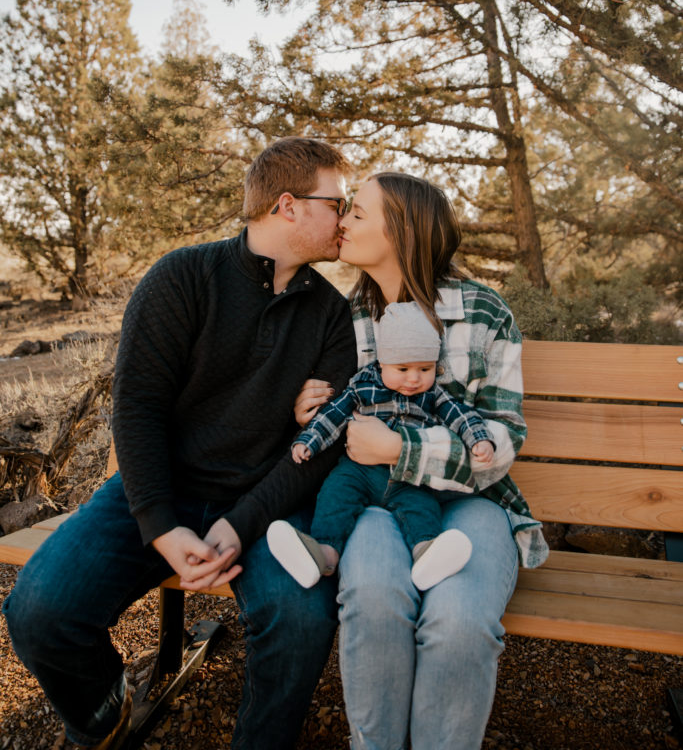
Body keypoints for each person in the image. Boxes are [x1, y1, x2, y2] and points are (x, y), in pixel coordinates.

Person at [2, 137, 358, 750]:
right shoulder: (184, 277)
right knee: (37, 613)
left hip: (266, 504)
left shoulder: (332, 315)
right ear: (289, 206)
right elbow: (136, 409)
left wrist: (241, 524)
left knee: (300, 620)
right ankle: (102, 715)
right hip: (159, 489)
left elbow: (318, 447)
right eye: (338, 202)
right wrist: (163, 527)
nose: (346, 217)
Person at [293, 172, 549, 750]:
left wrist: (401, 449)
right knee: (374, 603)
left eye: (357, 212)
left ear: (402, 230)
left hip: (475, 504)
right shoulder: (343, 315)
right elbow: (342, 420)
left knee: (458, 623)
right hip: (378, 501)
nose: (342, 221)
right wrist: (305, 410)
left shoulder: (484, 312)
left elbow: (502, 439)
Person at [267, 300, 495, 591]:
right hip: (360, 470)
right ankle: (324, 553)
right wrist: (308, 441)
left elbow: (460, 414)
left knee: (421, 507)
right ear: (383, 362)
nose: (413, 379)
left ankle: (427, 553)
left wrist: (478, 438)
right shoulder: (363, 386)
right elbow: (333, 415)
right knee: (335, 494)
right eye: (402, 368)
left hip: (407, 475)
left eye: (424, 369)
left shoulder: (432, 394)